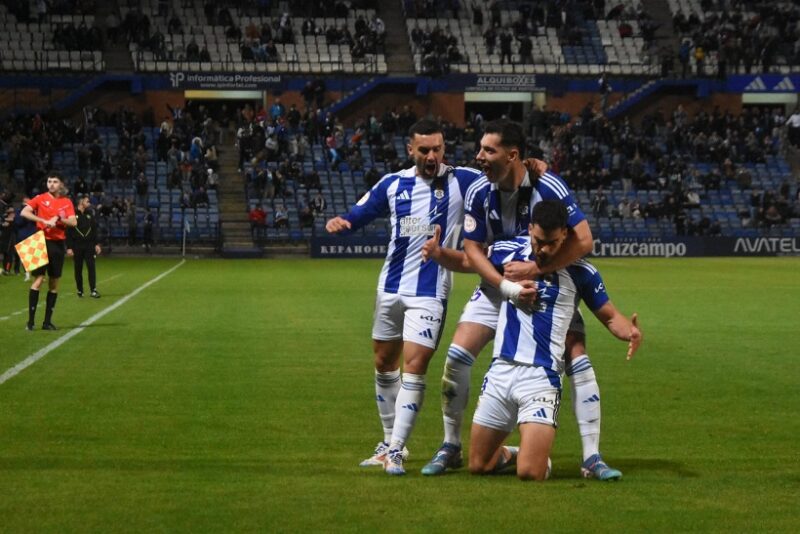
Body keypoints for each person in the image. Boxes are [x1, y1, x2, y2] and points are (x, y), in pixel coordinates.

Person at [420, 119, 616, 481]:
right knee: (457, 357)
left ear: (512, 156)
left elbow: (584, 241)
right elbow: (473, 251)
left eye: (488, 150)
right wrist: (505, 285)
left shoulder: (548, 185)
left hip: (546, 280)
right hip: (499, 284)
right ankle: (451, 446)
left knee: (578, 359)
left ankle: (591, 457)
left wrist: (537, 272)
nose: (479, 156)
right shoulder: (480, 190)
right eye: (480, 149)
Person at [325, 119, 483, 476]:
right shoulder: (394, 184)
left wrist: (534, 166)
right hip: (390, 287)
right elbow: (361, 213)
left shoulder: (464, 180)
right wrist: (344, 222)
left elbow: (504, 177)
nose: (431, 156)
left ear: (444, 149)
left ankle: (396, 450)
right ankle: (388, 442)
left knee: (414, 367)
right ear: (410, 150)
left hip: (430, 291)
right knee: (384, 362)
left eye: (437, 149)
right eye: (423, 149)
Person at [467, 200, 642, 480]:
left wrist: (629, 332)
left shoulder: (581, 272)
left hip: (541, 378)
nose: (543, 249)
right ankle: (515, 451)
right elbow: (468, 259)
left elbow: (610, 317)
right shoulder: (507, 253)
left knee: (529, 474)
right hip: (500, 372)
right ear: (530, 229)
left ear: (565, 235)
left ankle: (536, 459)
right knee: (478, 465)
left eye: (551, 242)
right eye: (538, 241)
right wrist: (438, 253)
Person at [20, 172, 77, 331]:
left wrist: (58, 219)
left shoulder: (66, 202)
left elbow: (73, 222)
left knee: (54, 283)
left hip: (58, 243)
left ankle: (47, 322)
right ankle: (30, 322)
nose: (51, 184)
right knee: (38, 280)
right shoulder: (40, 198)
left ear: (61, 185)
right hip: (40, 241)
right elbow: (24, 212)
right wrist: (43, 220)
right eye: (49, 181)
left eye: (55, 181)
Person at [66, 195, 101, 298]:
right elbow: (68, 232)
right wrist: (69, 247)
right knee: (78, 269)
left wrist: (96, 244)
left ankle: (93, 290)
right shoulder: (72, 215)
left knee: (91, 267)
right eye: (87, 201)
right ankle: (80, 290)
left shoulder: (90, 214)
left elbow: (94, 230)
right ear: (81, 202)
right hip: (77, 246)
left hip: (89, 246)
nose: (89, 203)